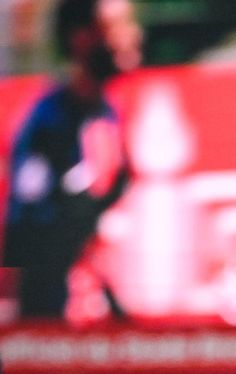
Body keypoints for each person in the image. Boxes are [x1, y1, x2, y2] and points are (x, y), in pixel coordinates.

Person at [3, 0, 141, 317]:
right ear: (81, 38)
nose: (133, 34)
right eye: (117, 25)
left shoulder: (108, 111)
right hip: (56, 319)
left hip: (97, 316)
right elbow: (33, 233)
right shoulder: (50, 121)